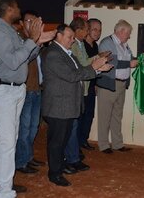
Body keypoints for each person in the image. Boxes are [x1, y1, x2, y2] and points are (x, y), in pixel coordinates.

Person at [0, 0, 52, 197]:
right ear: (8, 9)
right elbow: (14, 61)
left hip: (14, 89)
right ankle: (5, 190)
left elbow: (25, 57)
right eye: (16, 7)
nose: (19, 10)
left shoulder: (8, 31)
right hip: (1, 90)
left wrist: (38, 43)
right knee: (7, 141)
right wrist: (32, 40)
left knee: (8, 139)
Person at [41, 24, 112, 186]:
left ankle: (61, 165)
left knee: (63, 140)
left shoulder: (67, 54)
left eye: (73, 37)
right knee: (57, 142)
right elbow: (72, 76)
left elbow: (81, 70)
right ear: (58, 36)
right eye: (69, 37)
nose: (72, 40)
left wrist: (99, 69)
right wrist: (95, 67)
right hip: (58, 106)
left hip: (66, 105)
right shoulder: (53, 54)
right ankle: (54, 173)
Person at [96, 19, 138, 154]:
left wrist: (140, 58)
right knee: (104, 116)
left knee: (117, 115)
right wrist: (129, 64)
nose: (129, 36)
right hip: (108, 84)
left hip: (121, 84)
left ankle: (117, 143)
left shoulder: (124, 45)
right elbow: (111, 61)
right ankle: (103, 145)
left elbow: (130, 59)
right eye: (128, 33)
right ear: (121, 31)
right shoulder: (107, 42)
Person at [15, 10, 46, 174]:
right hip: (25, 90)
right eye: (28, 21)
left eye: (34, 21)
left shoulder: (35, 41)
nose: (31, 24)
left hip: (36, 90)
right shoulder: (20, 40)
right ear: (21, 23)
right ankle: (21, 162)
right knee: (24, 128)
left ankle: (28, 157)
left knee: (33, 128)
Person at [61, 17, 91, 174]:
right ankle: (70, 159)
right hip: (68, 94)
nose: (87, 32)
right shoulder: (59, 52)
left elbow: (82, 65)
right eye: (86, 29)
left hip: (78, 90)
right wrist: (97, 61)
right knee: (70, 127)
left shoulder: (79, 45)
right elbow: (81, 66)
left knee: (74, 126)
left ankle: (73, 157)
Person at [78, 18, 101, 150]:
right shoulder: (81, 46)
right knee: (81, 114)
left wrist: (96, 84)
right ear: (87, 30)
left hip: (92, 85)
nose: (97, 33)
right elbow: (86, 65)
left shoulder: (95, 46)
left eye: (99, 30)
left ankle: (83, 140)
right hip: (82, 86)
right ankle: (77, 142)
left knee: (89, 114)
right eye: (94, 29)